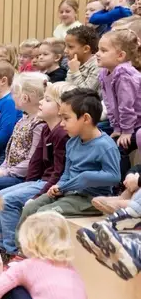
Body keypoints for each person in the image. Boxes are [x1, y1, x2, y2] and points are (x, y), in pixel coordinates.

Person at [18, 88, 121, 225]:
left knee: (43, 215)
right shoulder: (72, 142)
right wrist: (59, 186)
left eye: (66, 118)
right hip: (68, 193)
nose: (61, 123)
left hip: (90, 200)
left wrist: (86, 177)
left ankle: (42, 246)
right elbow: (66, 174)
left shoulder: (106, 146)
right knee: (30, 208)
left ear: (85, 118)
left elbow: (115, 177)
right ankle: (23, 246)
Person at [0, 82, 71, 260]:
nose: (40, 103)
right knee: (1, 195)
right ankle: (1, 246)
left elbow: (59, 172)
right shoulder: (46, 128)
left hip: (53, 184)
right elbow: (36, 163)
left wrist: (38, 195)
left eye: (46, 99)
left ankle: (13, 250)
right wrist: (27, 184)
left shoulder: (62, 133)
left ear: (60, 107)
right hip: (41, 181)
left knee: (8, 200)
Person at [98, 28, 141, 179]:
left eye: (103, 50)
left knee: (119, 148)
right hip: (125, 123)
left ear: (120, 56)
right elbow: (110, 104)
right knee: (99, 137)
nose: (97, 54)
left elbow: (126, 106)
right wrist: (117, 128)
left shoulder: (124, 74)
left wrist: (127, 131)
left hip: (137, 123)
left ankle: (120, 183)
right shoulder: (105, 72)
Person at [65, 25, 101, 92]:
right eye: (65, 46)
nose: (65, 50)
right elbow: (68, 88)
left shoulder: (97, 65)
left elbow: (86, 93)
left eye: (70, 47)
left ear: (86, 49)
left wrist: (75, 71)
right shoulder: (74, 62)